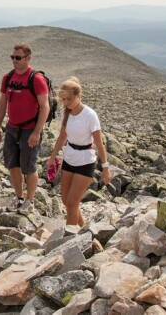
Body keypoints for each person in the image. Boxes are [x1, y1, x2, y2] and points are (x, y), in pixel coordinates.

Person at [46, 77, 112, 227]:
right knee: (66, 201)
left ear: (78, 96)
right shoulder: (65, 113)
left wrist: (105, 168)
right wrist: (53, 157)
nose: (66, 103)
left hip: (85, 161)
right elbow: (62, 136)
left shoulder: (90, 115)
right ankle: (83, 229)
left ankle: (69, 235)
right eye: (63, 100)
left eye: (69, 99)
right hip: (69, 159)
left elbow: (99, 143)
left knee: (72, 202)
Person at [0, 43, 50, 214]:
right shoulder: (8, 77)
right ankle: (19, 197)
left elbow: (45, 106)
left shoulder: (36, 79)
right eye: (12, 57)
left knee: (29, 167)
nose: (14, 60)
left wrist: (36, 132)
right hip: (11, 128)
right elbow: (3, 103)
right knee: (13, 165)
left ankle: (29, 201)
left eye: (18, 57)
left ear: (28, 58)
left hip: (30, 129)